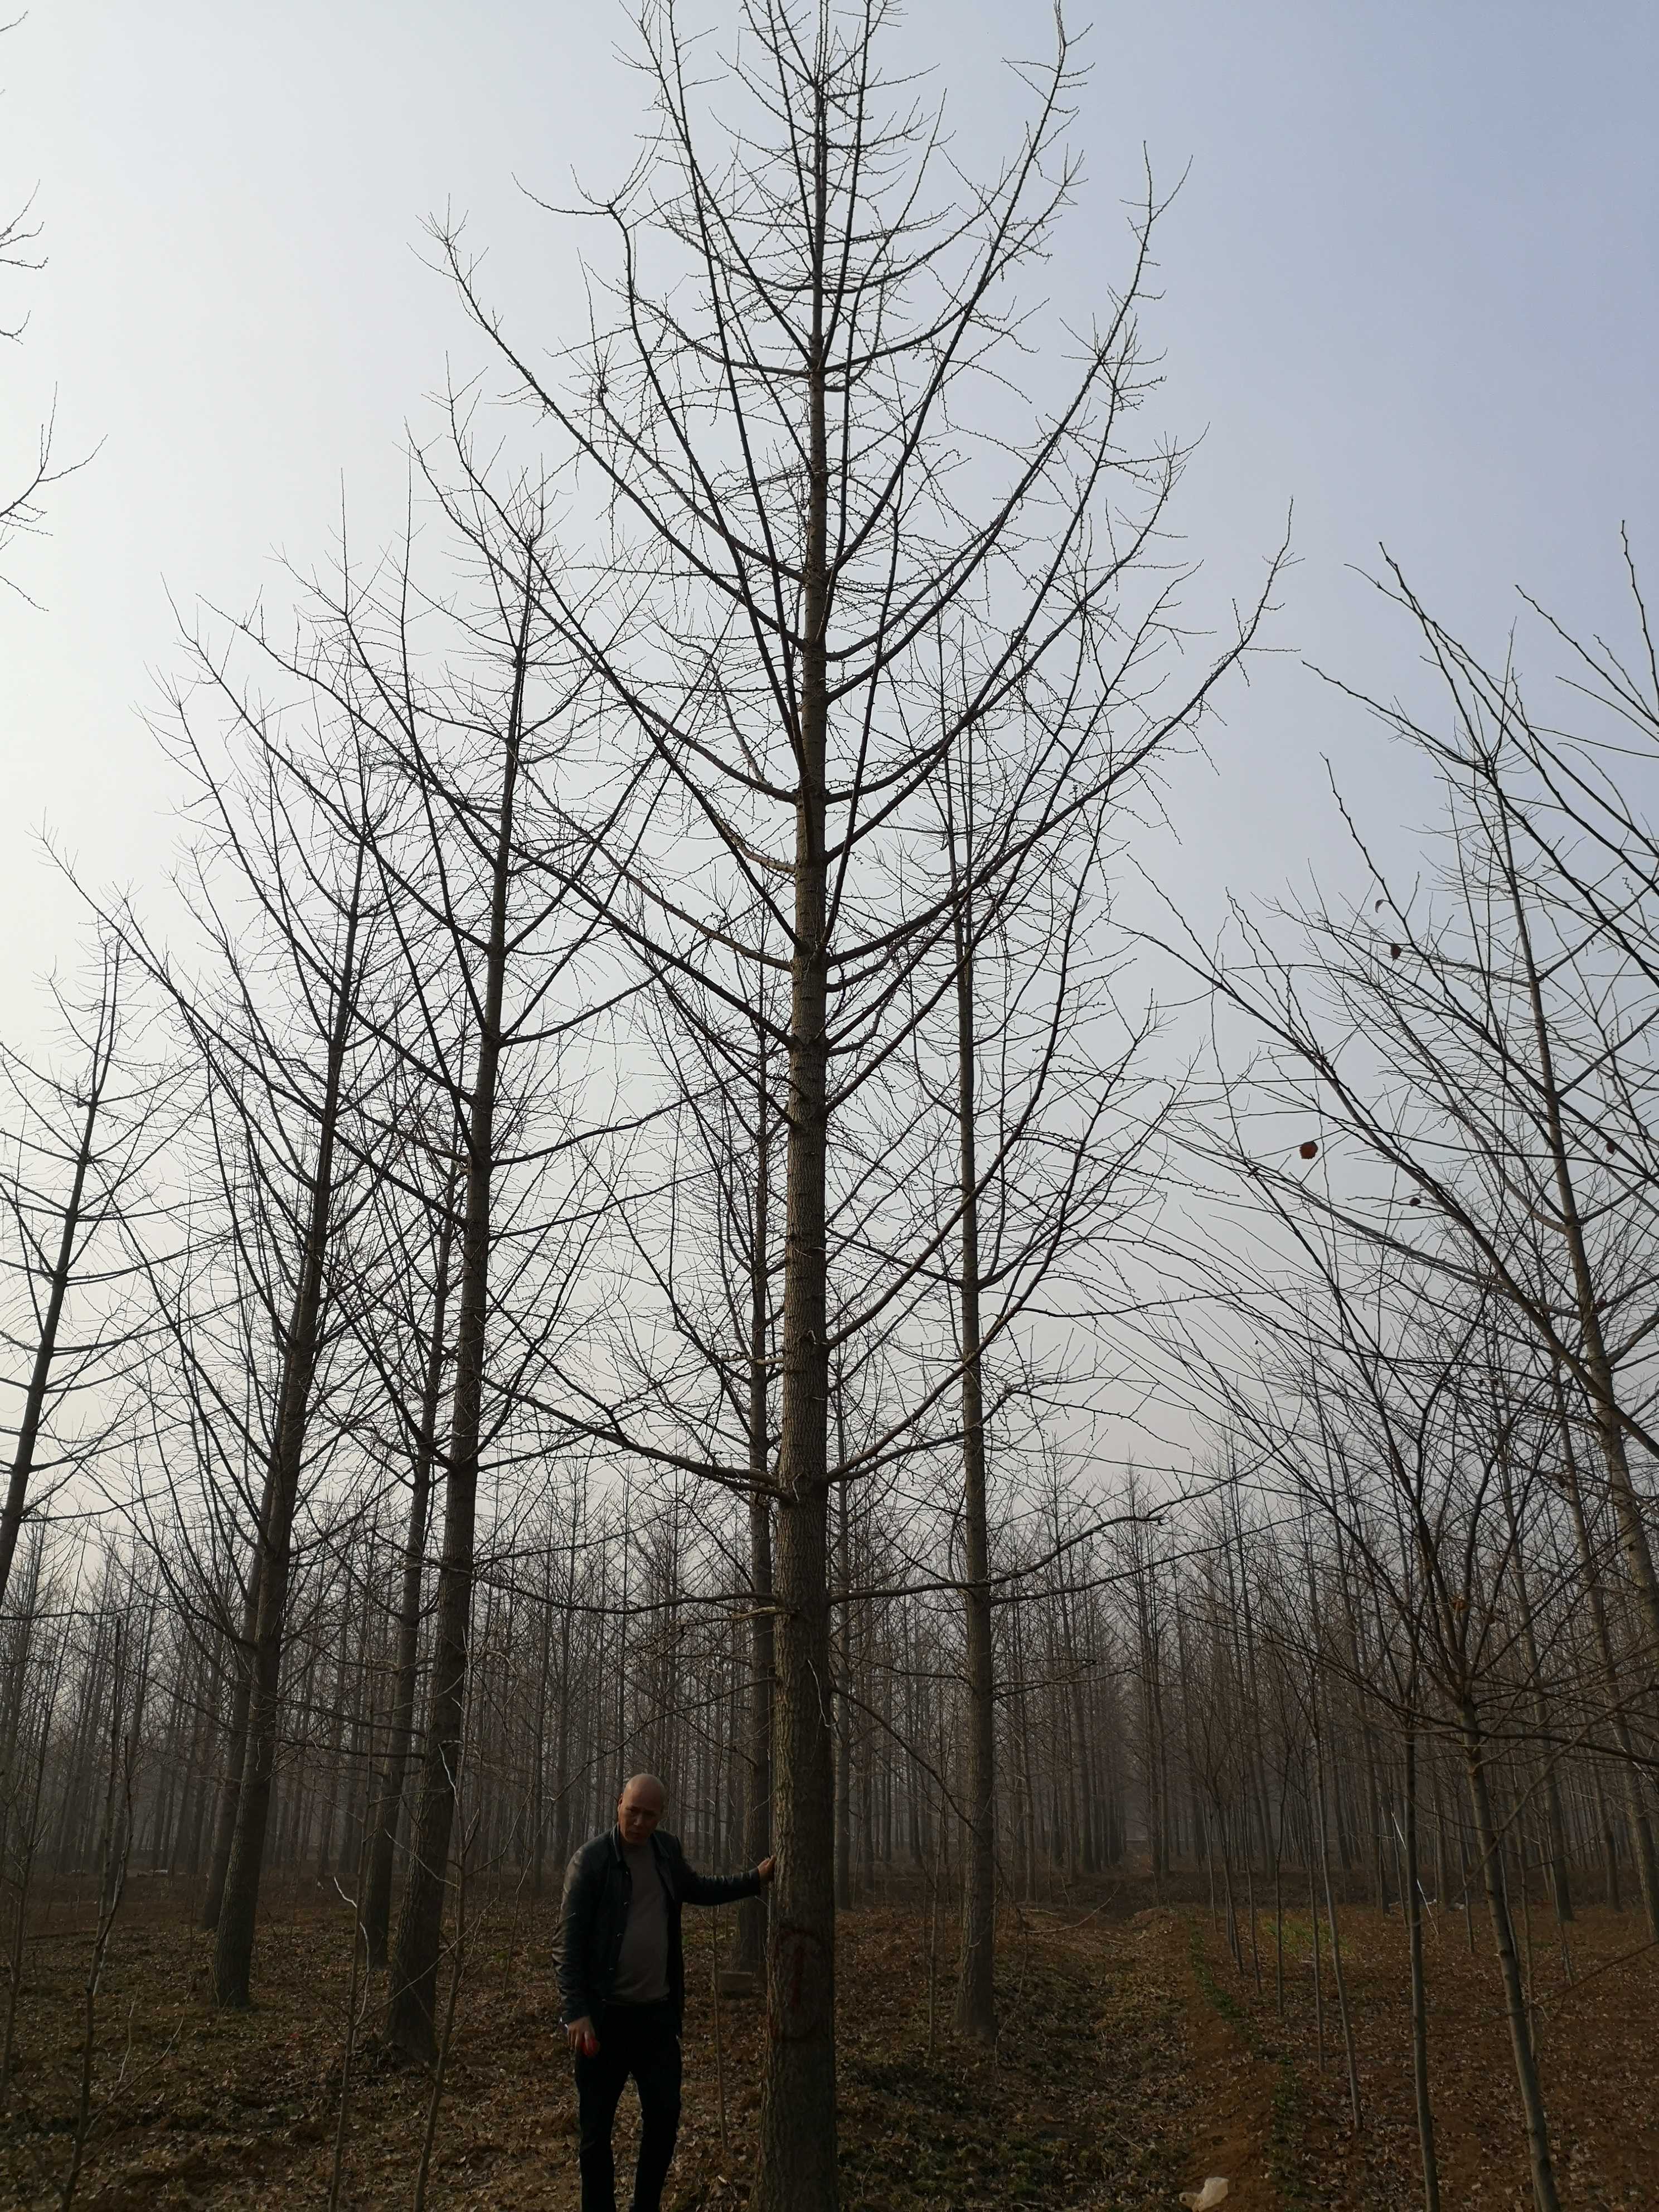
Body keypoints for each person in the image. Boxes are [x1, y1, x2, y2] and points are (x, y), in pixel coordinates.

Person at [557, 1772, 776, 2212]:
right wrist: (576, 2011)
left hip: (656, 2019)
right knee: (596, 2134)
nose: (638, 1821)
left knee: (664, 2119)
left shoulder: (666, 1852)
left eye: (649, 1814)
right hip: (603, 2020)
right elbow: (567, 1944)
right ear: (618, 1803)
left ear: (661, 1816)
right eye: (632, 1810)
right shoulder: (591, 1861)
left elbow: (697, 1889)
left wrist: (753, 1880)